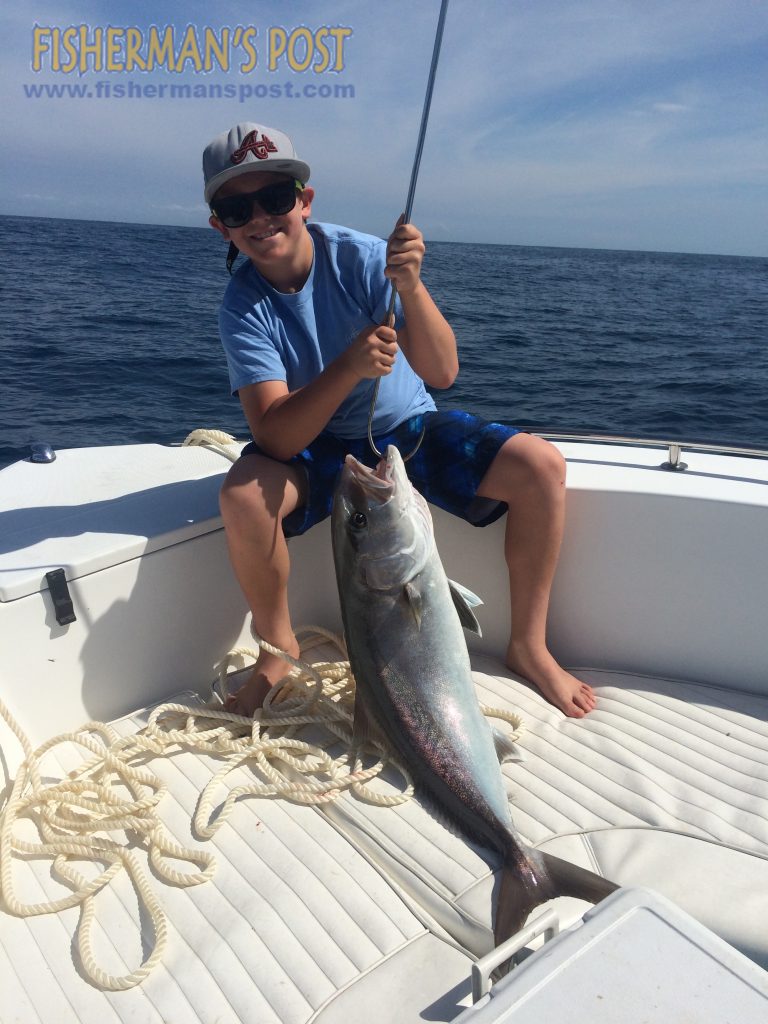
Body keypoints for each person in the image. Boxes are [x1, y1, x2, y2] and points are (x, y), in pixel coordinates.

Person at [203, 121, 596, 720]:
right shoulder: (242, 307)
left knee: (541, 466)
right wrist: (348, 368)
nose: (259, 217)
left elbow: (441, 372)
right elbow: (275, 435)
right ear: (220, 225)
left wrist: (410, 286)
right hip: (315, 447)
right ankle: (278, 647)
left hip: (406, 431)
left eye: (275, 198)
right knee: (243, 497)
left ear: (304, 202)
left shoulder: (361, 258)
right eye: (236, 207)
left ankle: (528, 644)